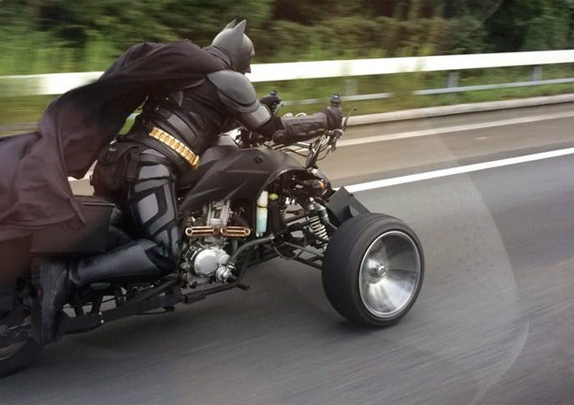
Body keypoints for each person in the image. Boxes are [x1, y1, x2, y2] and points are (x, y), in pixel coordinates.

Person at [32, 20, 342, 343]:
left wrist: (260, 105)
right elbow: (276, 131)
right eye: (246, 67)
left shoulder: (189, 73)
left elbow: (208, 113)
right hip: (149, 167)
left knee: (130, 233)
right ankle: (65, 276)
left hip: (117, 161)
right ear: (238, 59)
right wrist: (327, 118)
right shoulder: (230, 80)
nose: (246, 75)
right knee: (164, 252)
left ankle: (72, 267)